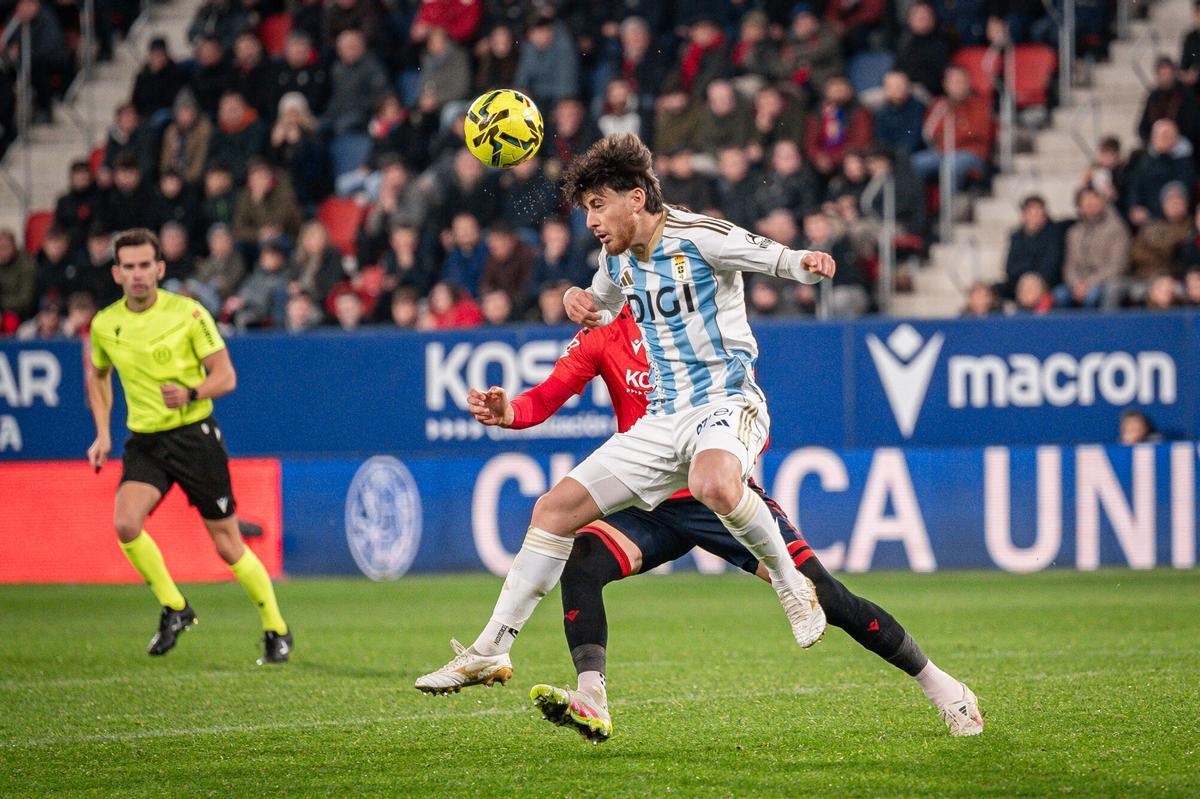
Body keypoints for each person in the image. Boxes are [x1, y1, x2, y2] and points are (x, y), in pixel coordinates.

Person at [415, 133, 835, 706]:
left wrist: (808, 265)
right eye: (585, 207)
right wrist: (578, 301)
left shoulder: (701, 235)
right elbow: (604, 303)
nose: (590, 219)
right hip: (664, 419)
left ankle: (791, 583)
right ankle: (491, 647)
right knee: (552, 511)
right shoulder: (614, 260)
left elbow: (777, 258)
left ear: (636, 198)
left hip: (726, 401)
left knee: (714, 483)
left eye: (597, 205)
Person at [462, 306, 983, 741]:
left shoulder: (700, 322)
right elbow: (544, 397)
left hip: (719, 498)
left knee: (828, 596)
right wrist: (507, 412)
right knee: (582, 559)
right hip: (653, 501)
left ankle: (942, 686)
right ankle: (592, 697)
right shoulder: (602, 333)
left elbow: (745, 403)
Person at [86, 228, 292, 663]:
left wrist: (193, 392)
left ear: (160, 269)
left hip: (194, 437)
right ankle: (175, 607)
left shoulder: (189, 314)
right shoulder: (105, 324)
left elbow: (227, 376)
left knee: (227, 544)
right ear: (116, 272)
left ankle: (276, 627)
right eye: (130, 266)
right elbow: (99, 376)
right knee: (126, 523)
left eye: (146, 265)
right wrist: (103, 434)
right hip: (144, 440)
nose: (138, 274)